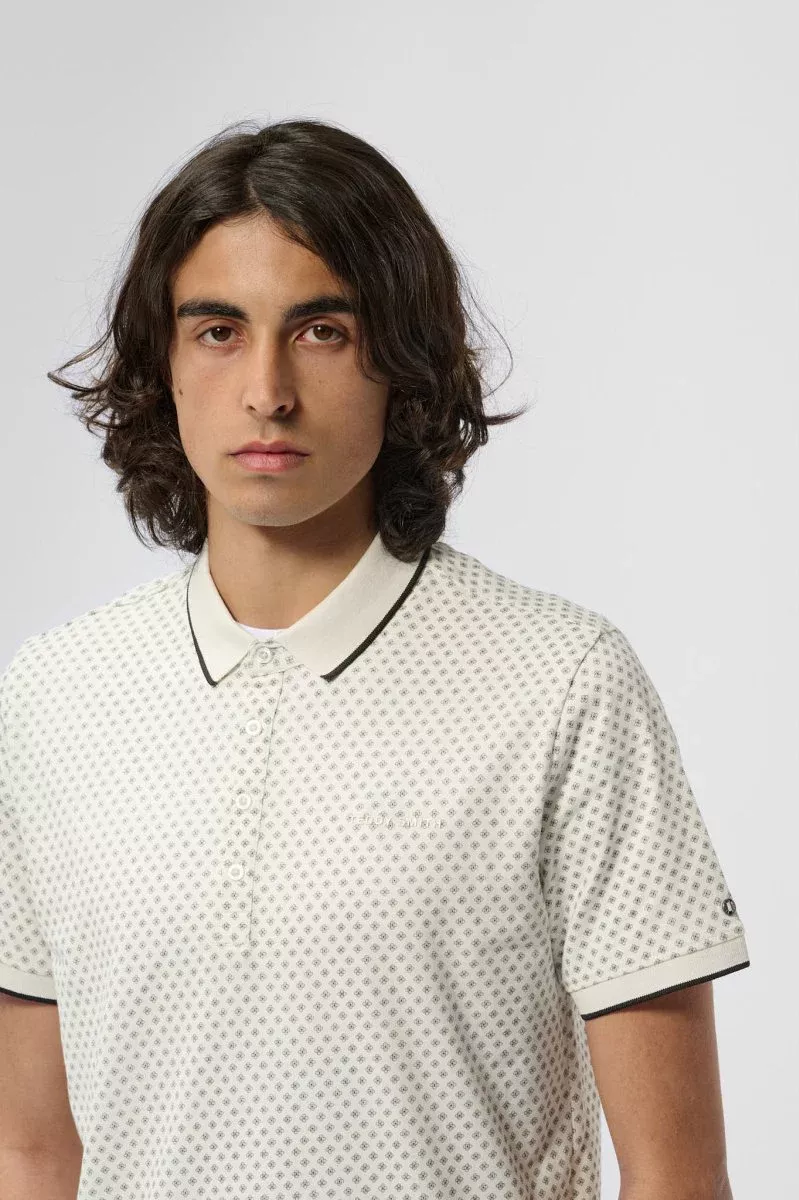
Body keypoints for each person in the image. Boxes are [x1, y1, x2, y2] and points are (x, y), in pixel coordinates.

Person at [0, 118, 749, 1200]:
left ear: (402, 359)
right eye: (218, 330)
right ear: (163, 362)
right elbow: (32, 1153)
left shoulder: (563, 685)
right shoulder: (52, 698)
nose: (267, 390)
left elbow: (675, 1173)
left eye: (322, 330)